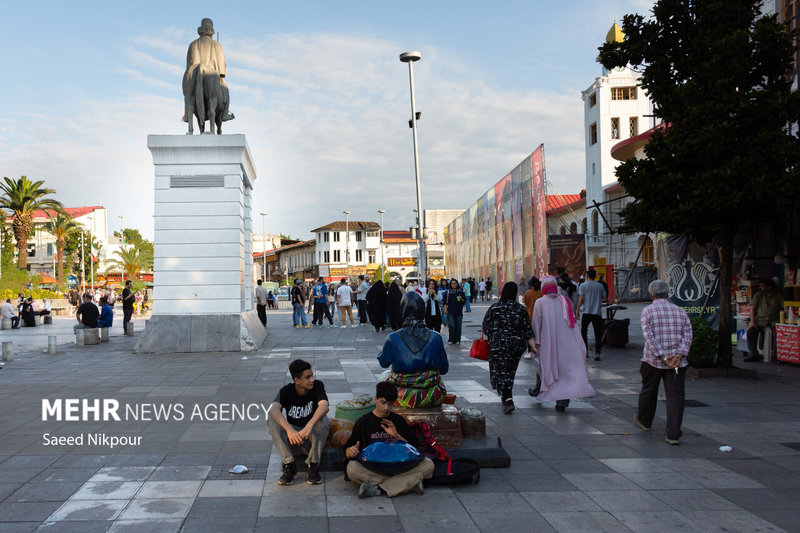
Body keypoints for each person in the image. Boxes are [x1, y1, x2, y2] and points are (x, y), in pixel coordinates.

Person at [344, 382, 434, 498]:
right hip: (374, 468)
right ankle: (407, 484)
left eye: (390, 404)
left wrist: (397, 436)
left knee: (428, 464)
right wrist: (350, 451)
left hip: (399, 467)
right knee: (352, 469)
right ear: (375, 399)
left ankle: (376, 487)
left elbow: (414, 448)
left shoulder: (399, 421)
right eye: (383, 402)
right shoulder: (363, 422)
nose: (386, 408)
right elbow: (347, 450)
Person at [635, 280, 693, 445]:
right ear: (668, 294)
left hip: (653, 360)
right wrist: (679, 355)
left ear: (651, 294)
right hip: (676, 363)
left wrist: (662, 356)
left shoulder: (648, 311)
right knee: (675, 396)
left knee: (648, 390)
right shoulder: (680, 311)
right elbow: (688, 333)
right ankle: (673, 434)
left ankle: (645, 421)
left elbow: (649, 336)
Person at [528, 276, 595, 412]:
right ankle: (561, 402)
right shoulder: (564, 300)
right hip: (567, 343)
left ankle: (539, 390)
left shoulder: (540, 302)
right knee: (564, 373)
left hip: (548, 343)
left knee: (546, 367)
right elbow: (572, 322)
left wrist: (534, 342)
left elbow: (536, 324)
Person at [379, 292, 449, 408]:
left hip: (401, 396)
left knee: (384, 377)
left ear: (402, 311)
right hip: (433, 395)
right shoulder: (436, 337)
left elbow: (383, 363)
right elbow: (444, 369)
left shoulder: (392, 338)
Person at [267, 359, 330, 485]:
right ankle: (289, 465)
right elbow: (272, 409)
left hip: (312, 441)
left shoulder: (317, 386)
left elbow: (324, 406)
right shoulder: (287, 391)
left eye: (312, 375)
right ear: (297, 380)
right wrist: (290, 431)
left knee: (323, 420)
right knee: (272, 420)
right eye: (307, 377)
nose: (312, 379)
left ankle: (313, 465)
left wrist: (309, 425)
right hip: (293, 441)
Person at [482, 282, 537, 414]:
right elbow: (527, 330)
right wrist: (534, 347)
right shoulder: (521, 310)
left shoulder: (495, 308)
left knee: (499, 371)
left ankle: (508, 399)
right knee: (509, 372)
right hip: (515, 346)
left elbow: (485, 326)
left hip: (497, 346)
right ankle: (506, 397)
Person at [745, 279, 783, 363]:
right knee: (751, 332)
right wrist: (752, 322)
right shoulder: (759, 295)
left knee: (778, 334)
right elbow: (752, 308)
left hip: (774, 321)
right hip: (760, 321)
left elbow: (784, 307)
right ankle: (754, 354)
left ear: (769, 287)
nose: (760, 287)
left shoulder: (778, 295)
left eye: (762, 286)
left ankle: (775, 357)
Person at [576, 269, 607, 361]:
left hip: (586, 312)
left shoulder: (583, 285)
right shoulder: (600, 286)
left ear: (587, 276)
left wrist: (577, 309)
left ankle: (585, 352)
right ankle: (597, 353)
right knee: (597, 333)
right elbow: (605, 298)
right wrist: (598, 301)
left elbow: (581, 298)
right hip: (597, 312)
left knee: (584, 332)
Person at [443, 278, 466, 344]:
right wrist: (445, 309)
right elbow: (444, 302)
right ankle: (451, 339)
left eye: (455, 283)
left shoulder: (460, 292)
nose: (453, 285)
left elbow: (464, 301)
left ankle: (457, 339)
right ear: (450, 284)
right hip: (450, 311)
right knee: (452, 325)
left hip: (458, 311)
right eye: (452, 283)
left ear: (457, 284)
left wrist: (461, 299)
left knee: (458, 326)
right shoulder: (448, 292)